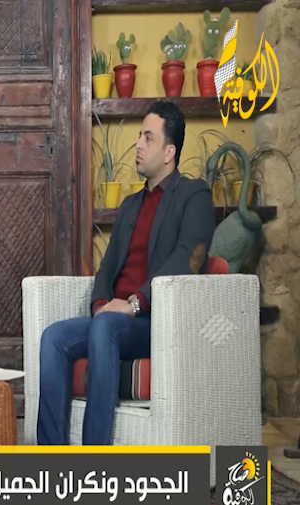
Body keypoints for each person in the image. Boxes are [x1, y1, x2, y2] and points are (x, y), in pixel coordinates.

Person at [37, 101, 215, 446]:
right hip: (113, 320)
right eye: (139, 136)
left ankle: (97, 464)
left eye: (148, 138)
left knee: (105, 326)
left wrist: (134, 304)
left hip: (156, 322)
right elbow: (107, 267)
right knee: (54, 338)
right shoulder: (131, 205)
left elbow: (187, 260)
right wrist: (101, 305)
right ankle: (52, 463)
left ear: (169, 152)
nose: (138, 144)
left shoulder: (193, 195)